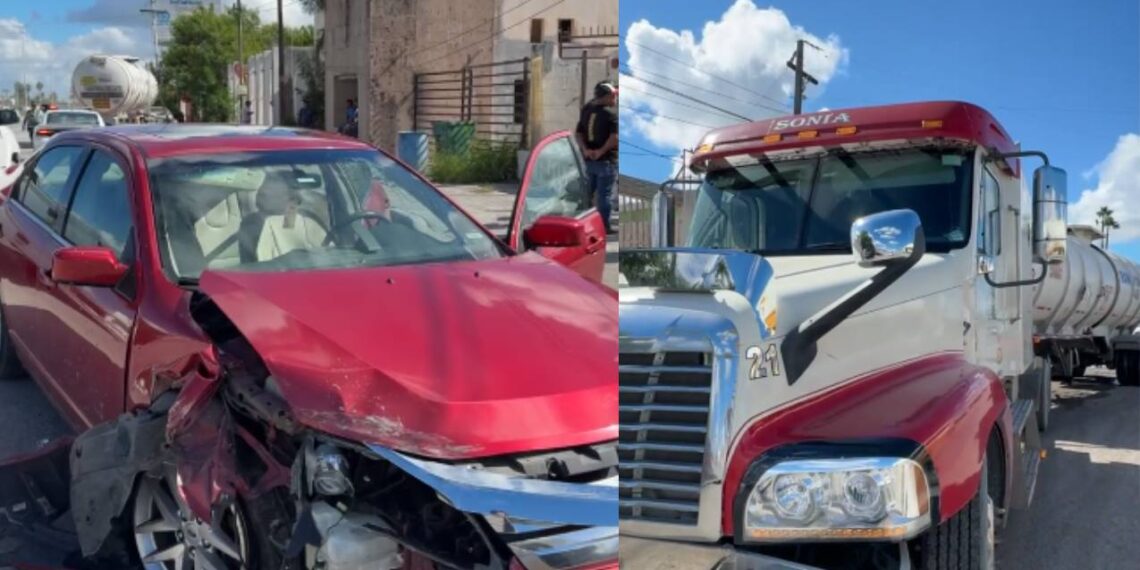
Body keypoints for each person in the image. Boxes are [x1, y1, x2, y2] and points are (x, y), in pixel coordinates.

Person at [575, 81, 618, 234]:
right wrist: (601, 151)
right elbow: (614, 138)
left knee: (587, 193)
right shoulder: (610, 114)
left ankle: (581, 222)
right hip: (605, 160)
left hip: (588, 160)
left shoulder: (586, 109)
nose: (615, 99)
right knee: (604, 195)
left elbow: (579, 133)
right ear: (607, 96)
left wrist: (585, 150)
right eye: (614, 96)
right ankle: (604, 226)